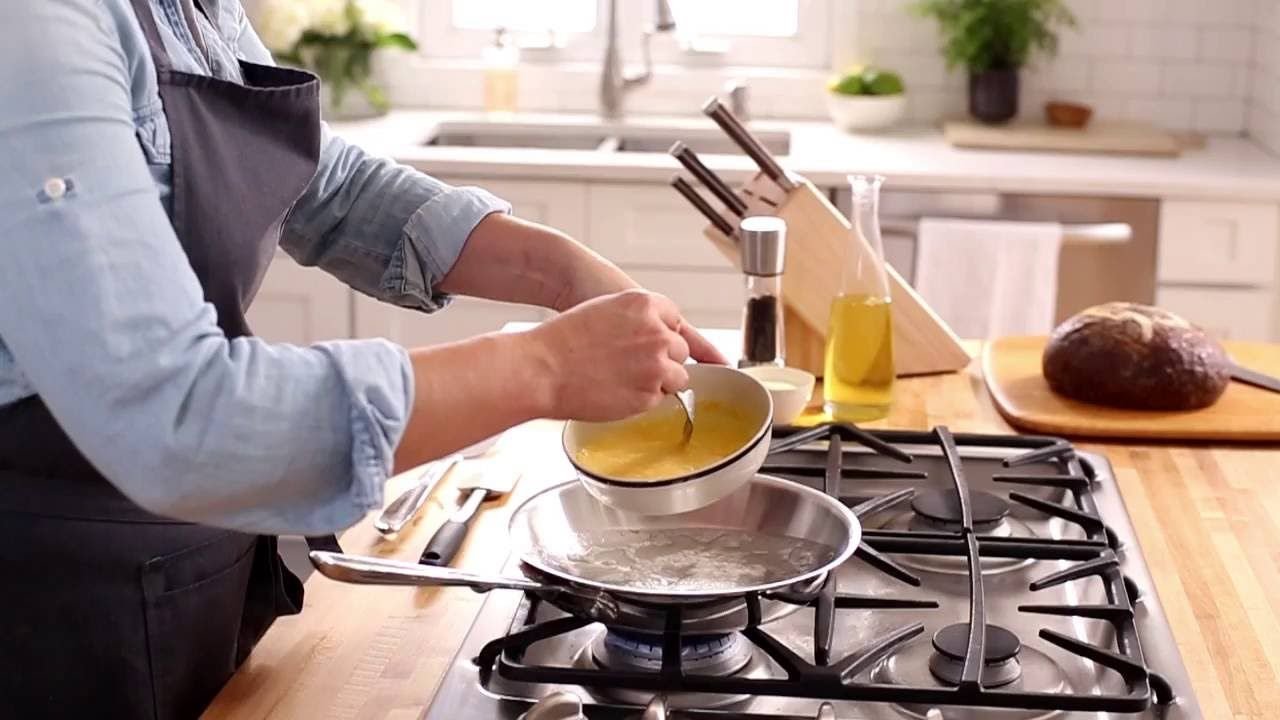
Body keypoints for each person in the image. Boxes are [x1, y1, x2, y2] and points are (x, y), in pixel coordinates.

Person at [0, 1, 725, 717]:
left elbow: (324, 183)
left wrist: (559, 272)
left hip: (191, 561)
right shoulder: (36, 26)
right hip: (59, 598)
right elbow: (178, 419)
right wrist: (546, 368)